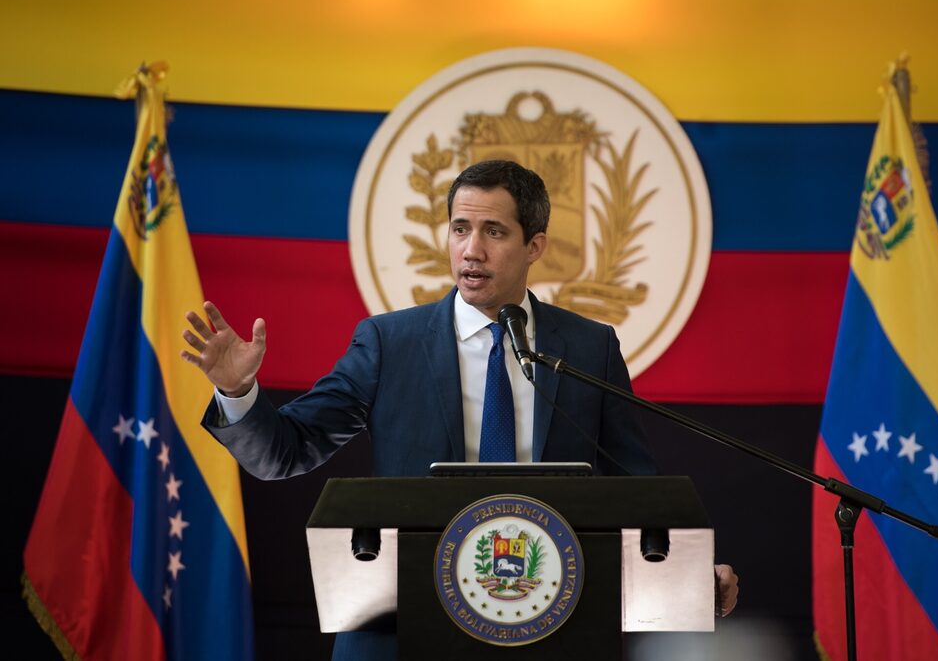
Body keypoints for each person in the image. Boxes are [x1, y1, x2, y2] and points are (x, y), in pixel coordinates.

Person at [181, 159, 738, 659]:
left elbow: (635, 487)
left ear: (535, 246)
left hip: (550, 624)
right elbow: (286, 451)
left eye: (494, 231)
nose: (471, 250)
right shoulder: (388, 343)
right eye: (460, 229)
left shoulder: (588, 348)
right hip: (404, 629)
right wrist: (237, 392)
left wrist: (690, 571)